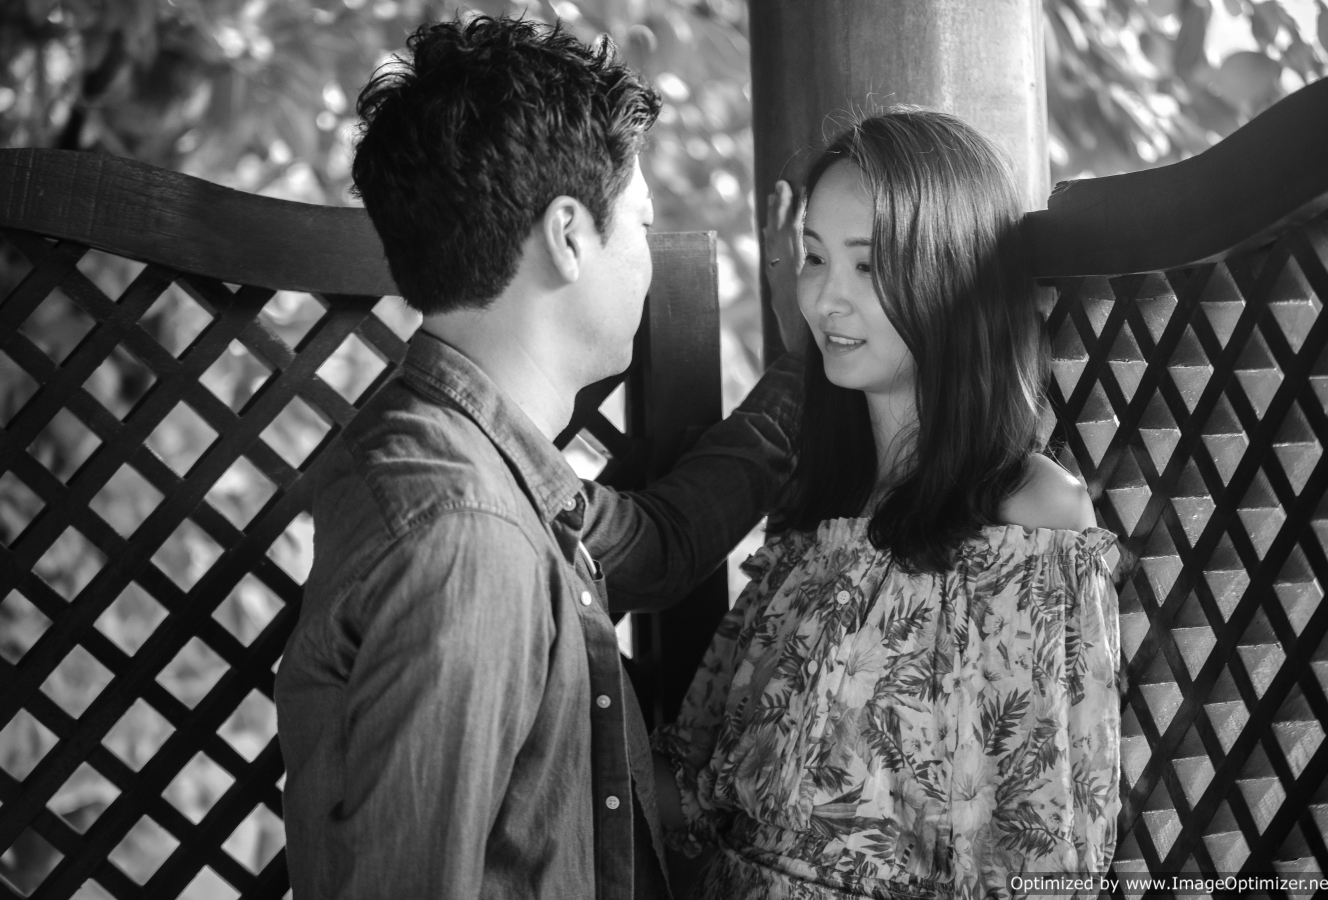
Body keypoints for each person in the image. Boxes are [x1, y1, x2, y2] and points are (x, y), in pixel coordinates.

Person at [273, 16, 804, 900]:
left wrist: (804, 364)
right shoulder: (464, 535)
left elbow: (660, 541)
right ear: (567, 235)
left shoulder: (472, 462)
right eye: (638, 223)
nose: (645, 257)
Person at [651, 109, 1121, 900]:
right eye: (814, 257)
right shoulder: (815, 509)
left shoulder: (1030, 513)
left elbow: (1047, 853)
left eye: (868, 266)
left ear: (953, 275)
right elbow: (705, 793)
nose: (826, 299)